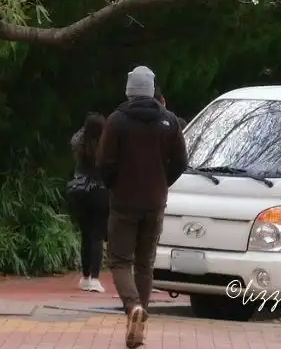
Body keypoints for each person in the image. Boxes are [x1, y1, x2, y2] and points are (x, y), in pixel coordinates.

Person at [97, 65, 187, 349]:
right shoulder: (170, 121)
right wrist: (162, 182)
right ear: (152, 90)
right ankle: (140, 324)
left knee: (120, 260)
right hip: (155, 202)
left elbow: (104, 163)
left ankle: (133, 307)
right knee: (145, 263)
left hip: (124, 202)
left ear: (128, 90)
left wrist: (114, 184)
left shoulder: (117, 121)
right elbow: (181, 162)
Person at [65, 112, 109, 292]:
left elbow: (75, 137)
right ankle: (96, 278)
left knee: (85, 235)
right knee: (97, 235)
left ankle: (85, 277)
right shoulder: (105, 147)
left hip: (80, 191)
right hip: (100, 192)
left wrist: (86, 127)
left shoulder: (79, 145)